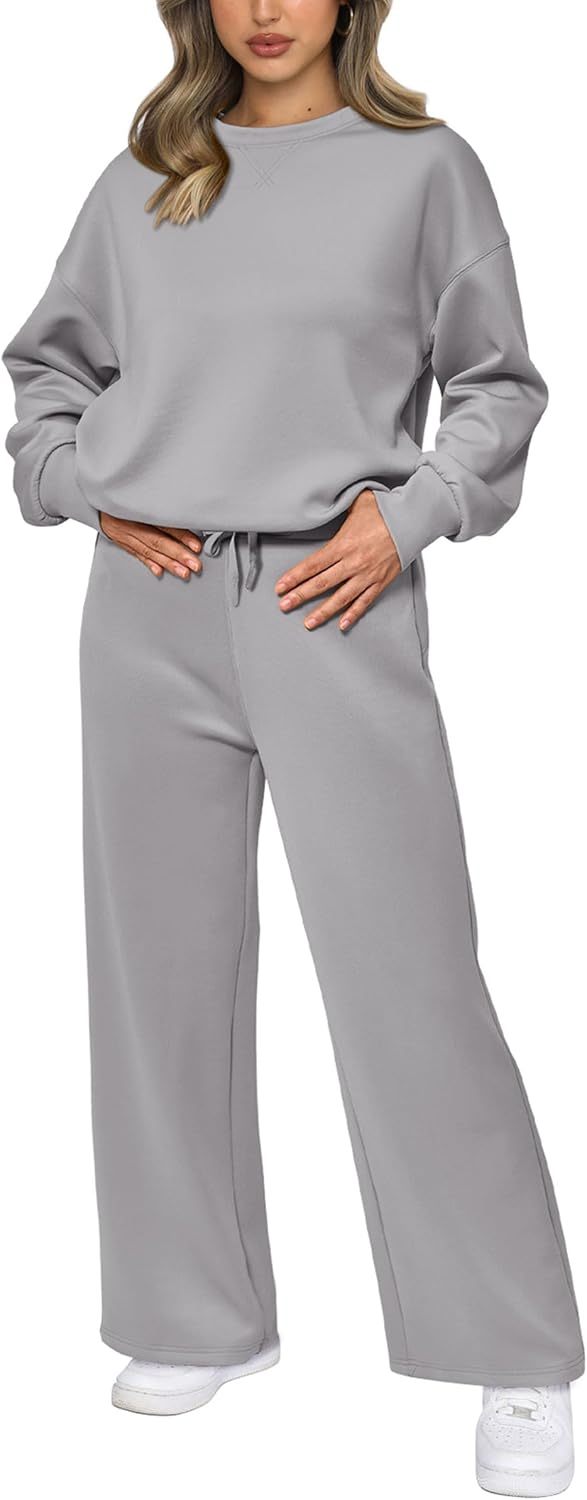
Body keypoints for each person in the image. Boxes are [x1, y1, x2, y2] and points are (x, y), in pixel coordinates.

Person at [2, 0, 582, 1491]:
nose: (266, 10)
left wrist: (414, 515)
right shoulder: (145, 175)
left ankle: (518, 1350)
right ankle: (193, 1312)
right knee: (159, 976)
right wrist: (74, 483)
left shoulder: (426, 169)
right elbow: (46, 375)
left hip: (337, 598)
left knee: (408, 974)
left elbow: (498, 387)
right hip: (147, 607)